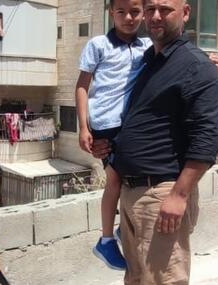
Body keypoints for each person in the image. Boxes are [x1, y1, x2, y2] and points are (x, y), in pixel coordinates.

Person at [92, 0, 218, 283]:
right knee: (137, 279)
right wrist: (105, 144)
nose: (155, 16)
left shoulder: (196, 66)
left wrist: (178, 196)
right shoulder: (147, 61)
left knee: (163, 280)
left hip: (162, 194)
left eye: (165, 9)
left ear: (185, 13)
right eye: (150, 9)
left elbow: (207, 139)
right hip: (130, 193)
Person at [75, 0, 150, 271]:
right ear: (111, 13)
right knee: (115, 181)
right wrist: (84, 127)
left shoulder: (147, 48)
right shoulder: (98, 45)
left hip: (129, 124)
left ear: (143, 13)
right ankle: (106, 240)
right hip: (105, 123)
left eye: (135, 12)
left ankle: (119, 230)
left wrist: (204, 59)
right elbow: (82, 86)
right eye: (121, 12)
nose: (128, 17)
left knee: (132, 174)